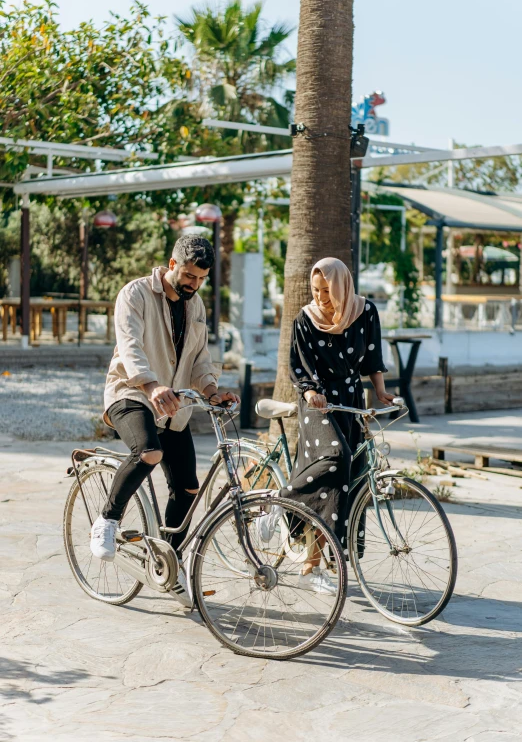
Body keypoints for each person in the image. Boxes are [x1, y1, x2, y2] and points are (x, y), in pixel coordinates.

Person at [89, 235, 240, 604]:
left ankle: (168, 566)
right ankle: (107, 520)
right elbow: (130, 346)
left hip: (175, 407)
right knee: (149, 452)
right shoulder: (135, 294)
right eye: (189, 276)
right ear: (172, 265)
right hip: (132, 393)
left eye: (200, 279)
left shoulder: (196, 304)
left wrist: (211, 391)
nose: (193, 284)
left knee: (188, 488)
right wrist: (152, 385)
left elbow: (201, 357)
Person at [260, 257, 392, 594]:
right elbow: (299, 365)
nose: (320, 298)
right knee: (336, 457)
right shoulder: (305, 319)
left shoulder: (365, 312)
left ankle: (312, 565)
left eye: (327, 291)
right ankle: (281, 501)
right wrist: (311, 391)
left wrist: (379, 391)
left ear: (342, 287)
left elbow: (373, 356)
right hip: (316, 404)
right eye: (316, 290)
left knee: (342, 483)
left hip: (349, 402)